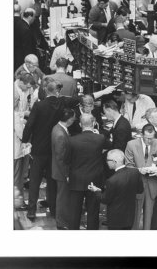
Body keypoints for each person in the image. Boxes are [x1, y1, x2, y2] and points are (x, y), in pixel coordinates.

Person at [22, 81, 115, 221]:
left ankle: (31, 210)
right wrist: (105, 91)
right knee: (53, 180)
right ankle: (53, 209)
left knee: (35, 180)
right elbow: (85, 97)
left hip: (40, 148)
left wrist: (25, 141)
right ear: (57, 92)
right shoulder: (62, 101)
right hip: (56, 146)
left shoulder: (39, 105)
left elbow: (30, 124)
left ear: (46, 91)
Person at [67, 113, 108, 230]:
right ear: (94, 123)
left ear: (80, 124)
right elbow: (108, 145)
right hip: (94, 180)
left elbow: (67, 160)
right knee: (93, 211)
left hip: (76, 179)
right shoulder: (100, 138)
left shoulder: (72, 140)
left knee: (74, 211)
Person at [125, 124, 157, 230]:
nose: (149, 141)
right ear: (141, 135)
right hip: (136, 184)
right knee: (134, 216)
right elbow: (128, 166)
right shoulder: (131, 144)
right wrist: (139, 170)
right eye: (147, 138)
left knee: (148, 217)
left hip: (152, 184)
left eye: (152, 138)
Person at [88, 149, 144, 230]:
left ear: (114, 162)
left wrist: (96, 191)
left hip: (115, 220)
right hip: (129, 217)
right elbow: (140, 190)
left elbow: (105, 199)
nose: (106, 162)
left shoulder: (112, 181)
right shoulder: (135, 172)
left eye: (108, 160)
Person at [51, 108, 76, 230]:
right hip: (61, 172)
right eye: (74, 118)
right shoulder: (60, 134)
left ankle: (62, 220)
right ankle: (61, 223)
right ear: (70, 120)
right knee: (62, 198)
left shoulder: (58, 127)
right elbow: (60, 158)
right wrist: (66, 174)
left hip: (58, 170)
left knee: (62, 196)